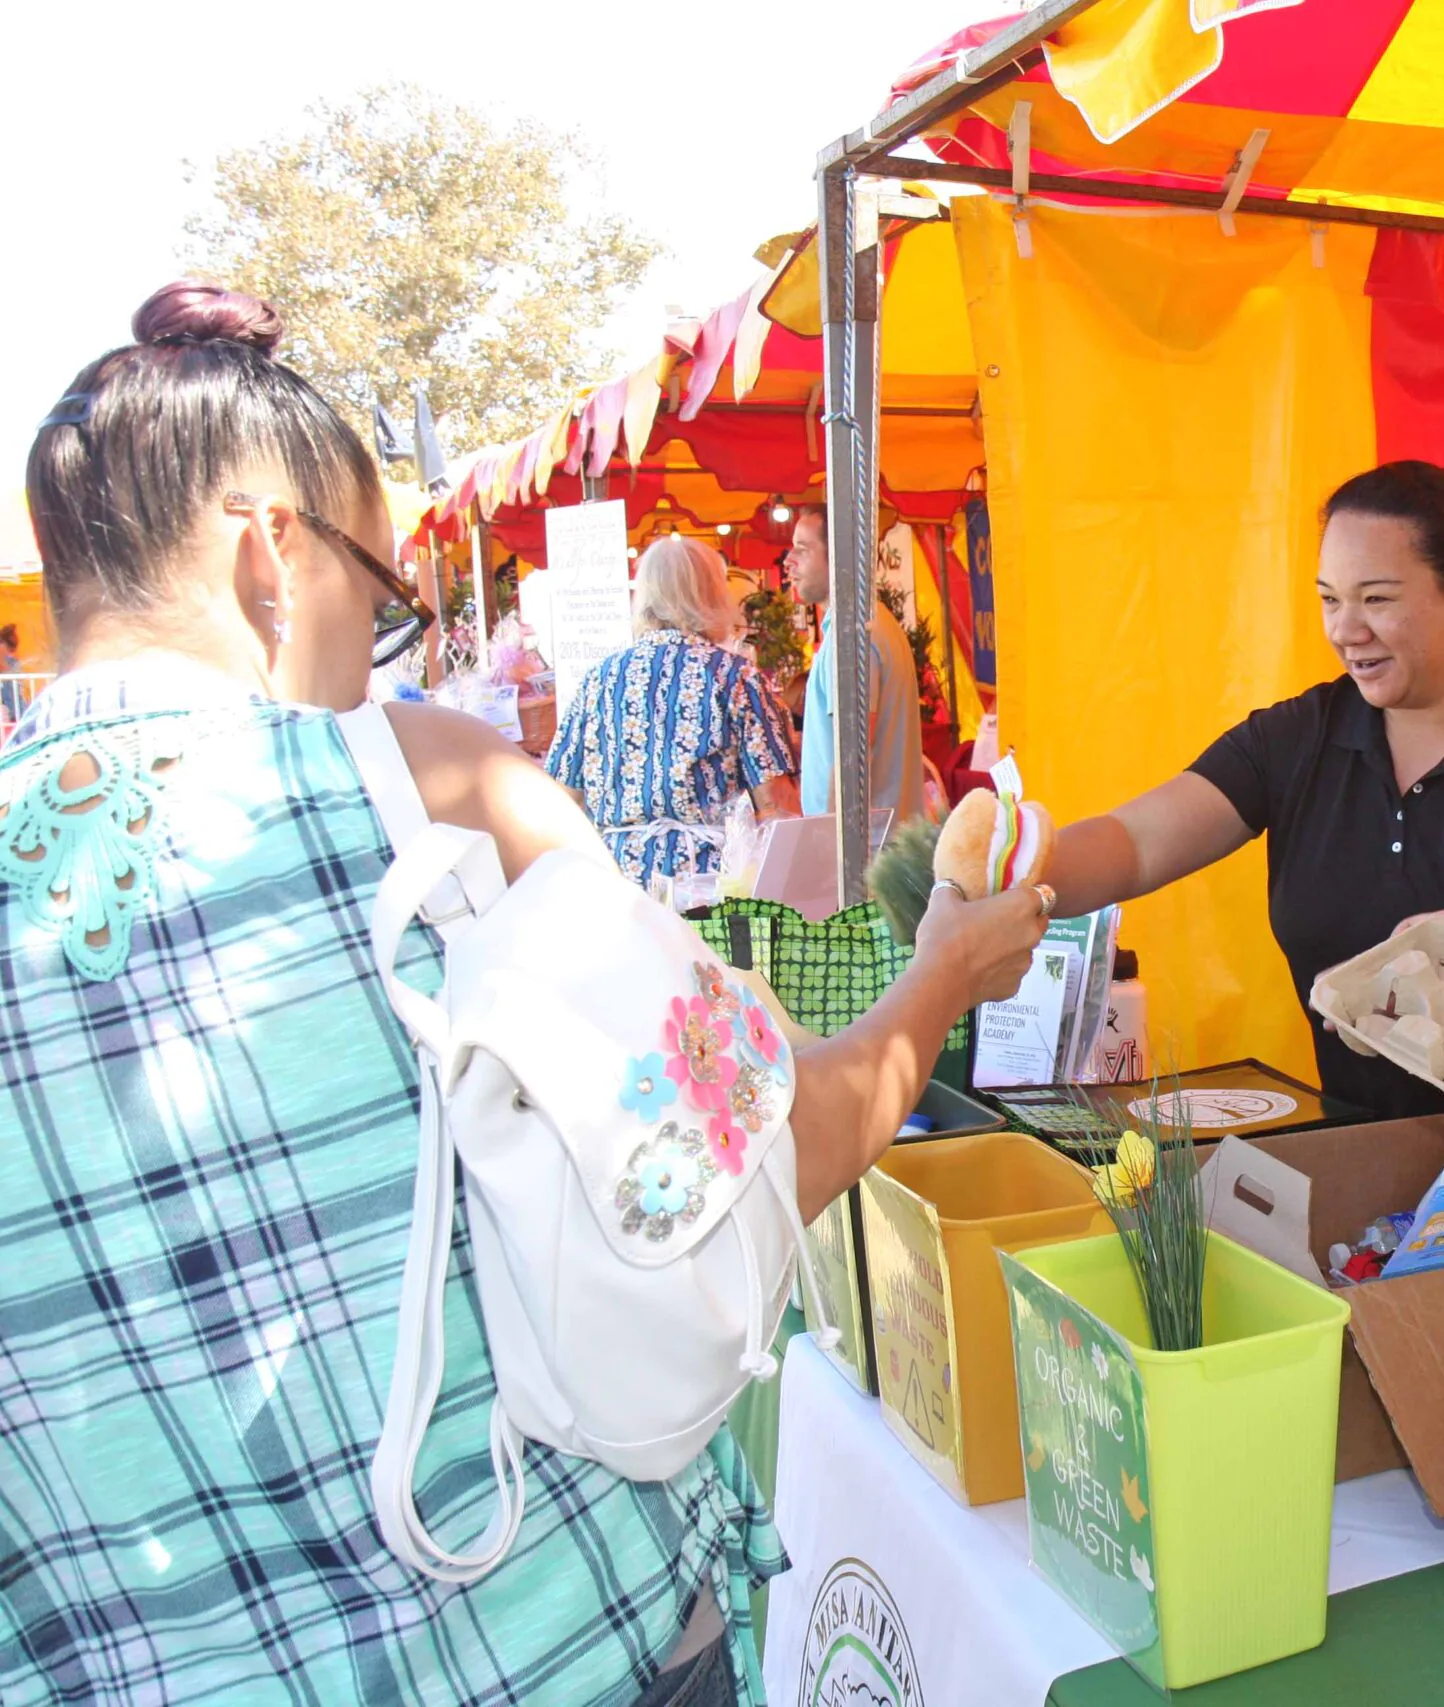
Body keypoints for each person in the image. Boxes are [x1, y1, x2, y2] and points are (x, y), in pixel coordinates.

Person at [3, 281, 1047, 1706]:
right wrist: (942, 977)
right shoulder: (426, 787)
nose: (377, 652)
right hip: (552, 1636)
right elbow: (755, 1156)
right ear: (269, 553)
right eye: (380, 595)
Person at [1042, 462, 1444, 1124]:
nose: (1345, 630)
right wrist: (1012, 877)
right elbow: (1135, 843)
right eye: (1330, 599)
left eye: (1376, 599)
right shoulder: (1300, 738)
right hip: (1356, 1149)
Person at [546, 534, 800, 884]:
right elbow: (775, 805)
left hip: (619, 885)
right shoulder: (734, 677)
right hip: (708, 884)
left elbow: (562, 798)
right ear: (712, 595)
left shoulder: (599, 680)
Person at [782, 503, 925, 839]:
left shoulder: (853, 633)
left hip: (863, 850)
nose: (788, 560)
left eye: (802, 549)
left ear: (839, 556)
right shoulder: (863, 624)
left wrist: (831, 845)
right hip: (876, 843)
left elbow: (852, 755)